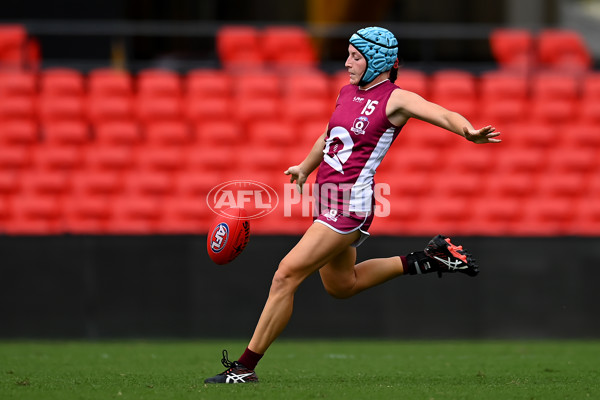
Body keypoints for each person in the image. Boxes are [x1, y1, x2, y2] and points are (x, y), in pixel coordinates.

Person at [204, 26, 501, 384]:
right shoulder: (347, 92)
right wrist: (304, 166)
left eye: (355, 56)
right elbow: (330, 135)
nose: (346, 63)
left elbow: (438, 112)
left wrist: (467, 131)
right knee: (342, 285)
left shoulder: (395, 99)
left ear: (377, 60)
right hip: (327, 198)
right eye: (348, 54)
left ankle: (244, 368)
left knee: (286, 274)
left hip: (348, 205)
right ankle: (430, 258)